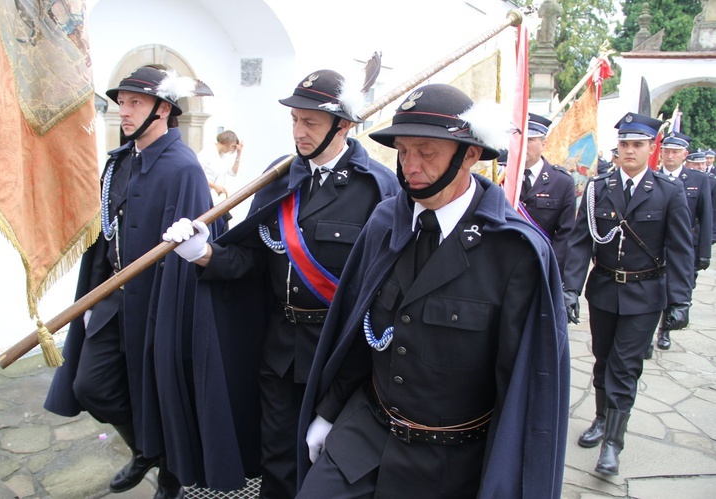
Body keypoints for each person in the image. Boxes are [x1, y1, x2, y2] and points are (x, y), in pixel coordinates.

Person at [295, 84, 570, 498]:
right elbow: (357, 332)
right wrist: (329, 412)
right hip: (367, 432)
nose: (410, 166)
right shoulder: (386, 221)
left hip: (450, 463)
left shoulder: (516, 252)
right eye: (403, 151)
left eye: (426, 151)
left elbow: (522, 387)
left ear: (470, 154)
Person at [163, 69, 399, 498]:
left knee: (333, 468)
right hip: (281, 351)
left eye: (311, 122)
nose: (299, 131)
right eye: (295, 120)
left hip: (338, 355)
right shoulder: (279, 176)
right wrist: (204, 254)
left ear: (342, 125)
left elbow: (383, 290)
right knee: (276, 462)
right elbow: (255, 258)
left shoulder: (378, 188)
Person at [44, 66, 242, 498]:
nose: (124, 112)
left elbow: (194, 252)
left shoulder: (184, 168)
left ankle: (169, 470)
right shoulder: (119, 164)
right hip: (116, 298)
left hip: (160, 304)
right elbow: (104, 236)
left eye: (135, 103)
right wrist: (95, 292)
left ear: (163, 109)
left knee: (163, 393)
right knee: (91, 385)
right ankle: (145, 449)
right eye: (122, 103)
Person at [564, 112, 694, 476]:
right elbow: (580, 243)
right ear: (617, 148)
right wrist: (570, 289)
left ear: (651, 149)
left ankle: (613, 446)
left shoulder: (669, 192)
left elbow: (681, 249)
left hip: (645, 294)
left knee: (624, 367)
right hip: (604, 290)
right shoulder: (597, 188)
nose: (630, 151)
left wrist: (680, 300)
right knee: (603, 360)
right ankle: (602, 420)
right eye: (624, 144)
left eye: (638, 145)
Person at [648, 133, 712, 354]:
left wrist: (704, 251)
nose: (670, 155)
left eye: (675, 151)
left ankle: (665, 330)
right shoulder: (652, 176)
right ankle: (647, 334)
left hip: (685, 246)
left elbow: (706, 216)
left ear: (685, 155)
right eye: (666, 151)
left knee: (674, 288)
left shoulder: (698, 180)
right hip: (655, 246)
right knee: (652, 288)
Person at [519, 113, 576, 278]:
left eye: (530, 140)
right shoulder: (502, 177)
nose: (524, 145)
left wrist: (551, 271)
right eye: (520, 139)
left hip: (543, 264)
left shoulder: (561, 181)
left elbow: (566, 233)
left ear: (543, 144)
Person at [198, 130, 243, 203]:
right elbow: (197, 175)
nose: (231, 149)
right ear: (226, 142)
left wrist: (238, 155)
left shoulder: (223, 156)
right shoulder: (207, 152)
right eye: (232, 146)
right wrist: (214, 186)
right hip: (203, 193)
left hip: (215, 197)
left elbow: (233, 172)